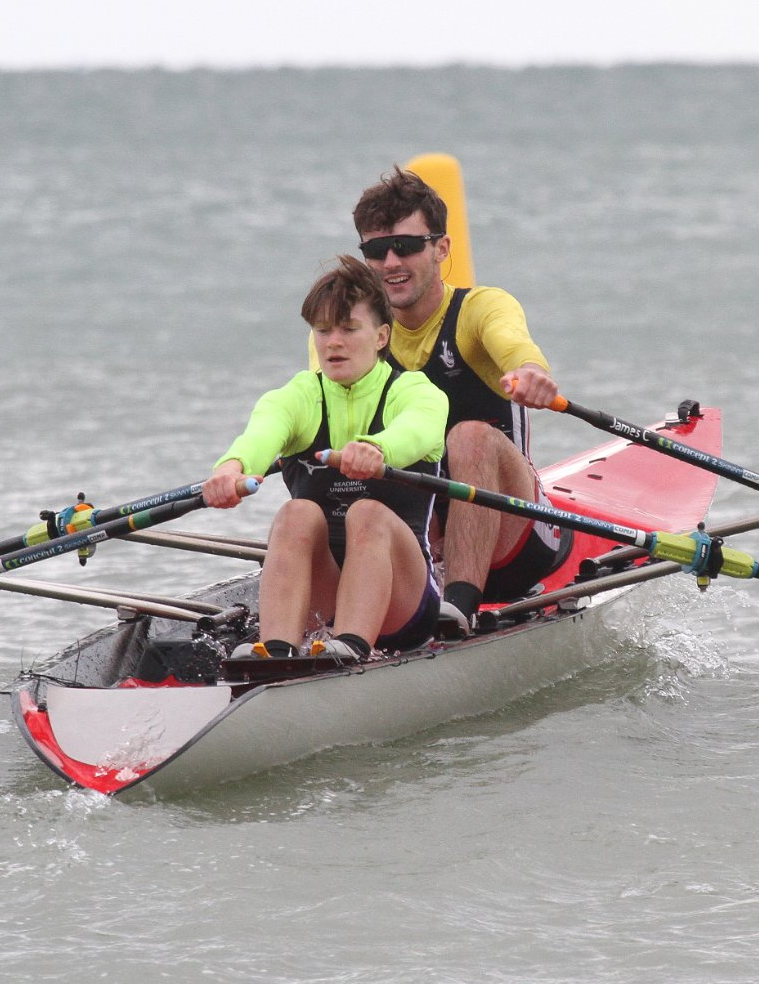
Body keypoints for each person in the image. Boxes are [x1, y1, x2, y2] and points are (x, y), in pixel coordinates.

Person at [350, 168, 569, 638]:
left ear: (441, 249)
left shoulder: (479, 309)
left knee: (467, 436)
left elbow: (514, 344)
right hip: (421, 540)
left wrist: (531, 374)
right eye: (376, 250)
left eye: (406, 246)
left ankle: (459, 607)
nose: (391, 262)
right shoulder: (352, 333)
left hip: (515, 542)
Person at [203, 256, 448, 663]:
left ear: (381, 336)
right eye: (323, 330)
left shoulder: (415, 392)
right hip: (327, 594)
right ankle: (276, 652)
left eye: (349, 329)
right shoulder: (299, 396)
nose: (333, 342)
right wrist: (231, 470)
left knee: (367, 513)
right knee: (296, 512)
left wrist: (379, 450)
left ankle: (350, 647)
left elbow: (418, 429)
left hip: (404, 603)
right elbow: (261, 433)